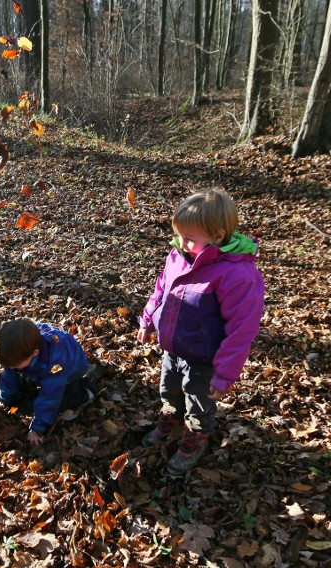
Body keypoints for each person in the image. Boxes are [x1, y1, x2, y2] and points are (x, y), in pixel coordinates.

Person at [137, 188, 264, 476]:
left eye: (189, 238)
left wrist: (225, 373)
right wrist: (147, 320)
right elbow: (161, 289)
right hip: (174, 347)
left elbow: (242, 329)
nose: (181, 243)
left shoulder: (236, 275)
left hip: (204, 359)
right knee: (169, 390)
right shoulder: (179, 255)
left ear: (218, 236)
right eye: (179, 234)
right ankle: (171, 418)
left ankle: (196, 437)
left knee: (198, 400)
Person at [0, 319, 96, 446]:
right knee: (22, 381)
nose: (11, 367)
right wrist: (2, 401)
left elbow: (50, 397)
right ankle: (28, 377)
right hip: (38, 366)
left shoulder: (54, 363)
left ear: (35, 353)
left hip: (71, 370)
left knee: (63, 399)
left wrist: (37, 428)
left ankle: (85, 392)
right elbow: (9, 375)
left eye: (14, 365)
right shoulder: (19, 349)